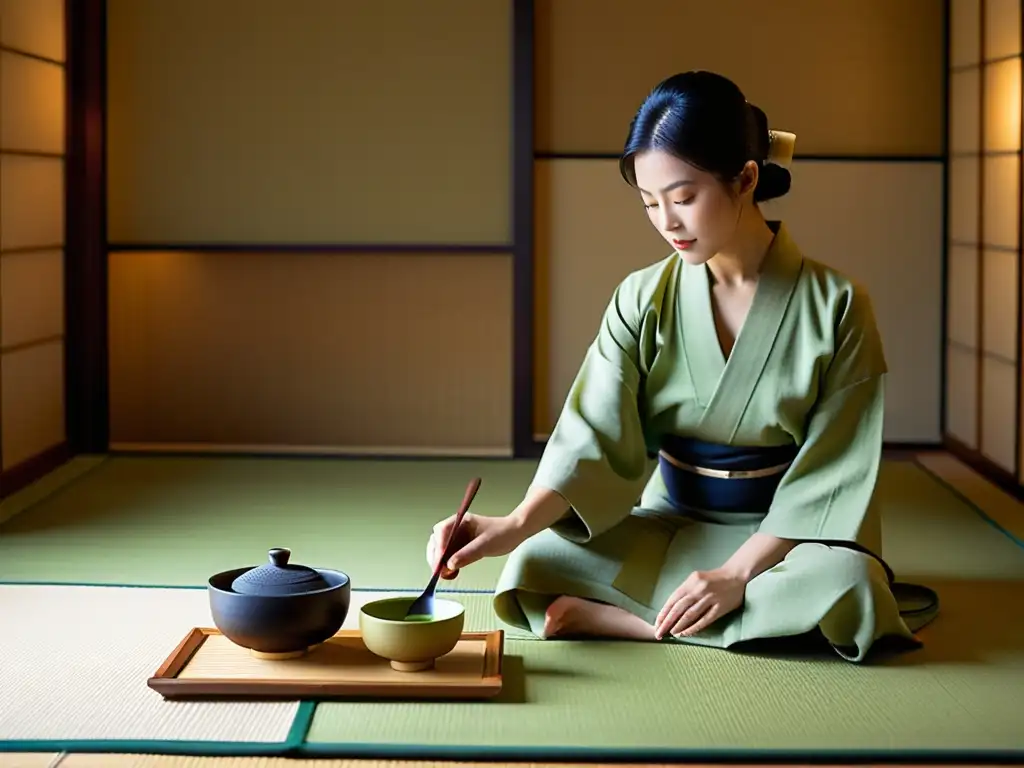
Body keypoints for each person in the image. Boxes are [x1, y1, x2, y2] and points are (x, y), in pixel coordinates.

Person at [426, 70, 932, 663]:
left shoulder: (838, 305)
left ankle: (633, 621)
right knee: (533, 560)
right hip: (672, 522)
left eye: (684, 198)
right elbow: (590, 437)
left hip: (786, 539)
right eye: (649, 202)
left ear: (745, 179)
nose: (666, 221)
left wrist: (737, 574)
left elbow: (834, 474)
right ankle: (694, 622)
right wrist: (510, 525)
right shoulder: (642, 297)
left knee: (852, 587)